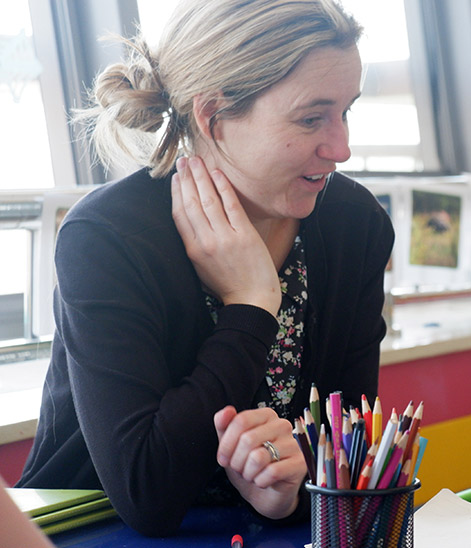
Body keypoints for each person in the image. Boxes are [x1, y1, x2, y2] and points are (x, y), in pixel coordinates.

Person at [17, 0, 394, 537]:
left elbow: (351, 450)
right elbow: (147, 494)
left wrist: (286, 490)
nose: (342, 148)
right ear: (213, 117)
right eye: (312, 118)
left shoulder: (354, 224)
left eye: (346, 111)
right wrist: (251, 305)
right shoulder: (107, 238)